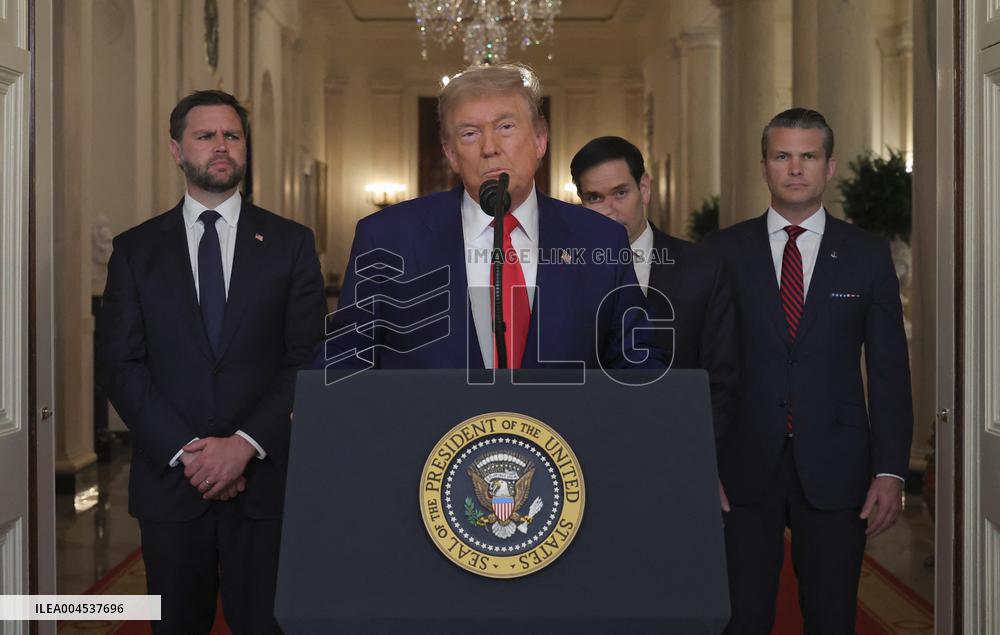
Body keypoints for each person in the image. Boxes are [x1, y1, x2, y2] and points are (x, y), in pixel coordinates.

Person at [97, 89, 326, 634]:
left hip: (266, 484)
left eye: (232, 135)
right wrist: (193, 454)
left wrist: (243, 446)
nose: (221, 146)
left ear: (245, 147)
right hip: (172, 483)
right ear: (177, 150)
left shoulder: (291, 244)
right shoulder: (136, 250)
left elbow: (308, 357)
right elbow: (120, 364)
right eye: (205, 136)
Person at [704, 108, 913, 633]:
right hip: (740, 466)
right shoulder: (722, 252)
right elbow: (700, 366)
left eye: (808, 156)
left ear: (829, 166)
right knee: (742, 618)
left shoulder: (866, 255)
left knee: (831, 616)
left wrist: (890, 470)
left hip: (837, 467)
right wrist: (698, 462)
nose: (795, 168)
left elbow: (889, 369)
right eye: (782, 156)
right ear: (764, 167)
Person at [325, 64, 663, 371]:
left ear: (540, 141)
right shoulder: (387, 237)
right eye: (470, 133)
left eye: (506, 126)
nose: (490, 147)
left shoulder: (599, 239)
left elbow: (638, 363)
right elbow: (344, 362)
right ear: (450, 154)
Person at [570, 135, 738, 444]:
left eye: (620, 193)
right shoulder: (565, 275)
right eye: (595, 197)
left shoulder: (703, 268)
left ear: (643, 188)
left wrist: (701, 461)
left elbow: (722, 379)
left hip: (682, 447)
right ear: (581, 202)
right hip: (589, 452)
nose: (609, 210)